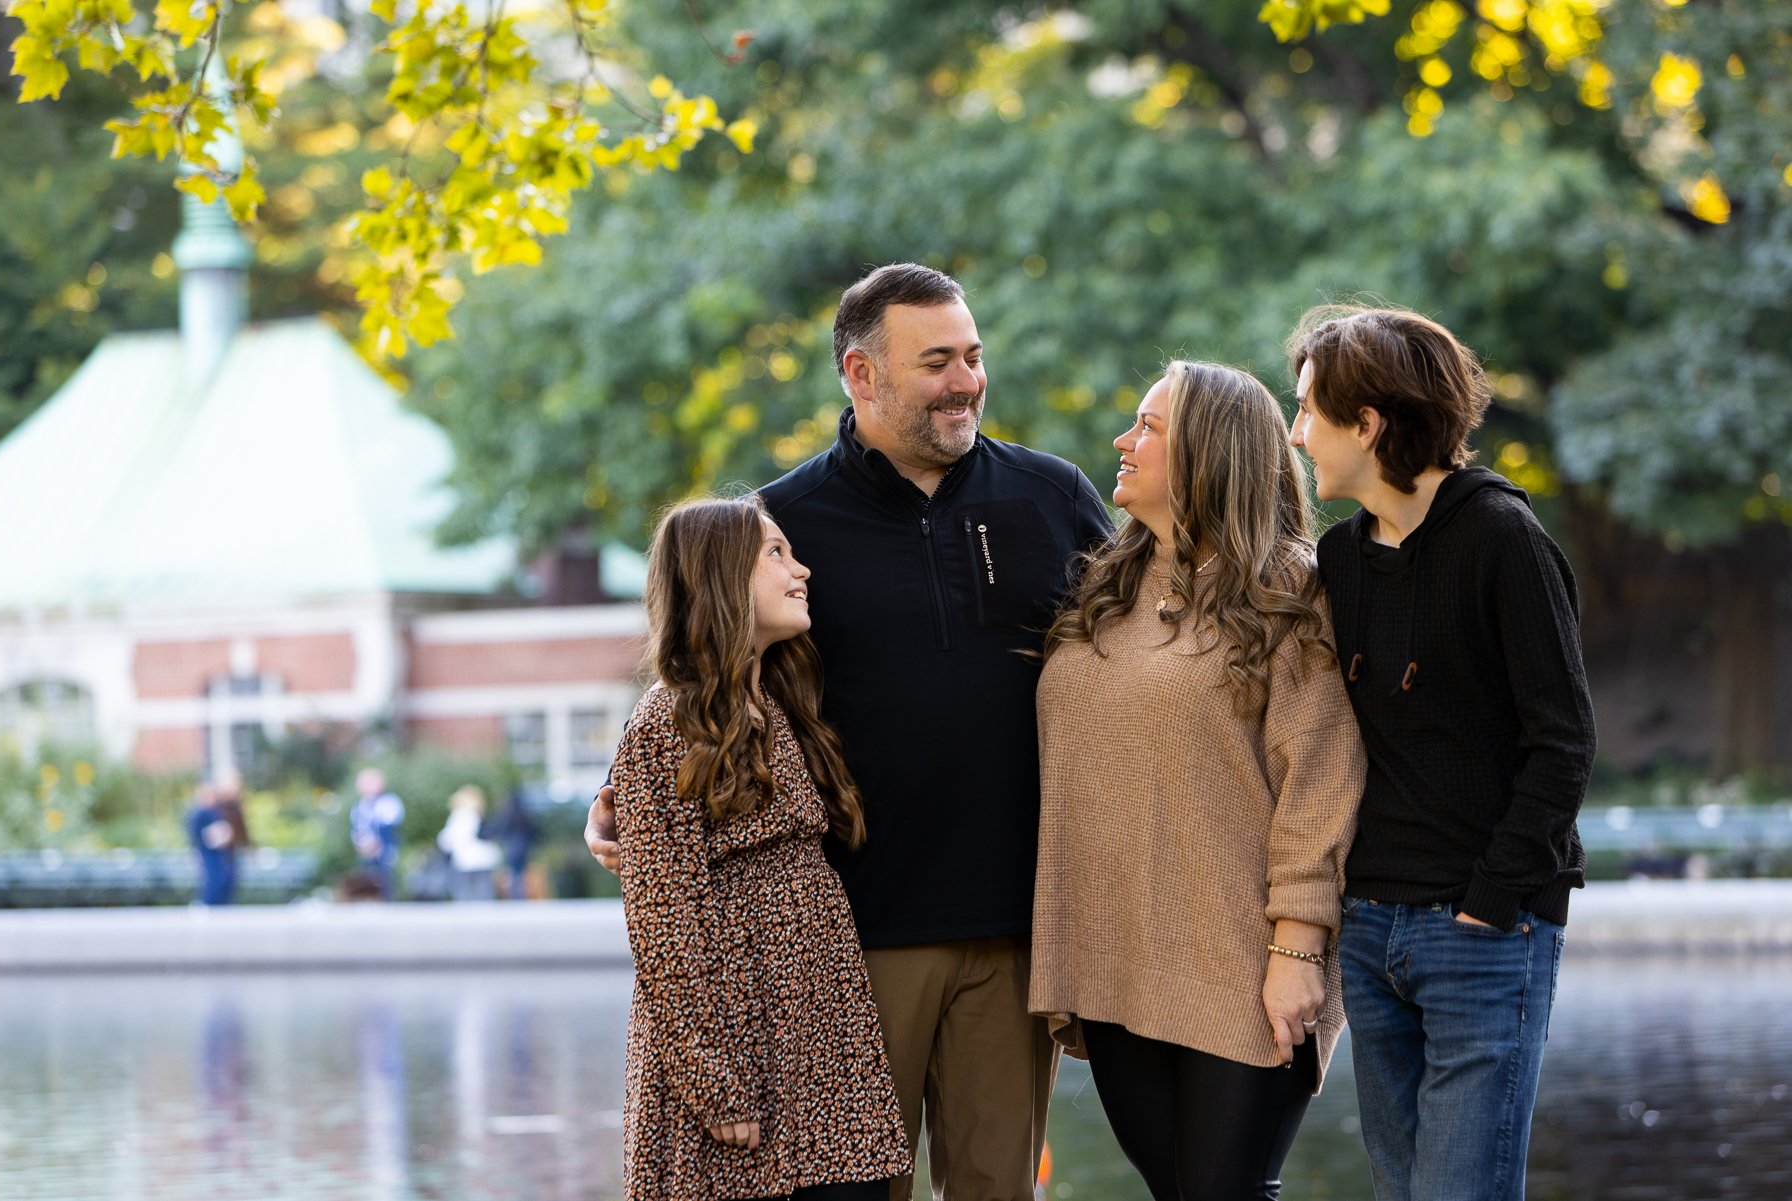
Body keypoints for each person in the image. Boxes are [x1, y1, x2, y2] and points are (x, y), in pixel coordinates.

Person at [591, 263, 1110, 1201]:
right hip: (849, 939)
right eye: (937, 361)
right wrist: (618, 795)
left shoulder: (1053, 494)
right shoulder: (782, 525)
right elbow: (705, 680)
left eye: (974, 356)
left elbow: (1139, 668)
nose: (966, 381)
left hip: (1016, 926)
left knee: (1001, 1189)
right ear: (861, 375)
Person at [1029, 361, 1365, 1201]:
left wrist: (1297, 947)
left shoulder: (1288, 589)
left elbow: (1322, 775)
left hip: (1242, 957)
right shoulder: (1106, 585)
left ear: (1210, 454)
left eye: (1148, 426)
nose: (1122, 440)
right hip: (1112, 953)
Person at [1286, 305, 1597, 1201]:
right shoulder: (1339, 559)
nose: (1296, 432)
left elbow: (1564, 739)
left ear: (1367, 424)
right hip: (1372, 926)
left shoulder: (1503, 540)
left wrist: (1493, 900)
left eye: (1308, 411)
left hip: (1483, 927)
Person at [612, 495, 908, 1201]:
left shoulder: (780, 700)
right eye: (775, 552)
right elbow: (662, 913)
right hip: (733, 1043)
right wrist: (715, 1082)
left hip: (820, 1028)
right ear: (718, 574)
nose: (800, 568)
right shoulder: (664, 719)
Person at [186, 770, 250, 906]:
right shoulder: (201, 812)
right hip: (210, 853)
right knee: (214, 880)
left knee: (225, 880)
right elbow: (197, 834)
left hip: (223, 852)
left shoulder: (221, 808)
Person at [437, 784, 502, 901]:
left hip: (466, 858)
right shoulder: (474, 815)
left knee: (465, 890)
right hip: (478, 858)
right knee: (482, 888)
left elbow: (451, 838)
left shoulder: (462, 815)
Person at [350, 767, 405, 901]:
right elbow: (357, 826)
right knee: (367, 878)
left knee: (385, 878)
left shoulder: (388, 802)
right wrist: (360, 842)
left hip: (384, 848)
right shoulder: (361, 804)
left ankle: (387, 901)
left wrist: (376, 843)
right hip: (366, 849)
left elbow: (390, 824)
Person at [485, 787, 537, 898]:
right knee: (520, 871)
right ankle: (520, 893)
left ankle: (515, 893)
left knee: (513, 871)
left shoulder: (507, 813)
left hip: (512, 847)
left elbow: (501, 829)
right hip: (524, 847)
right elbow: (533, 830)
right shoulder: (525, 813)